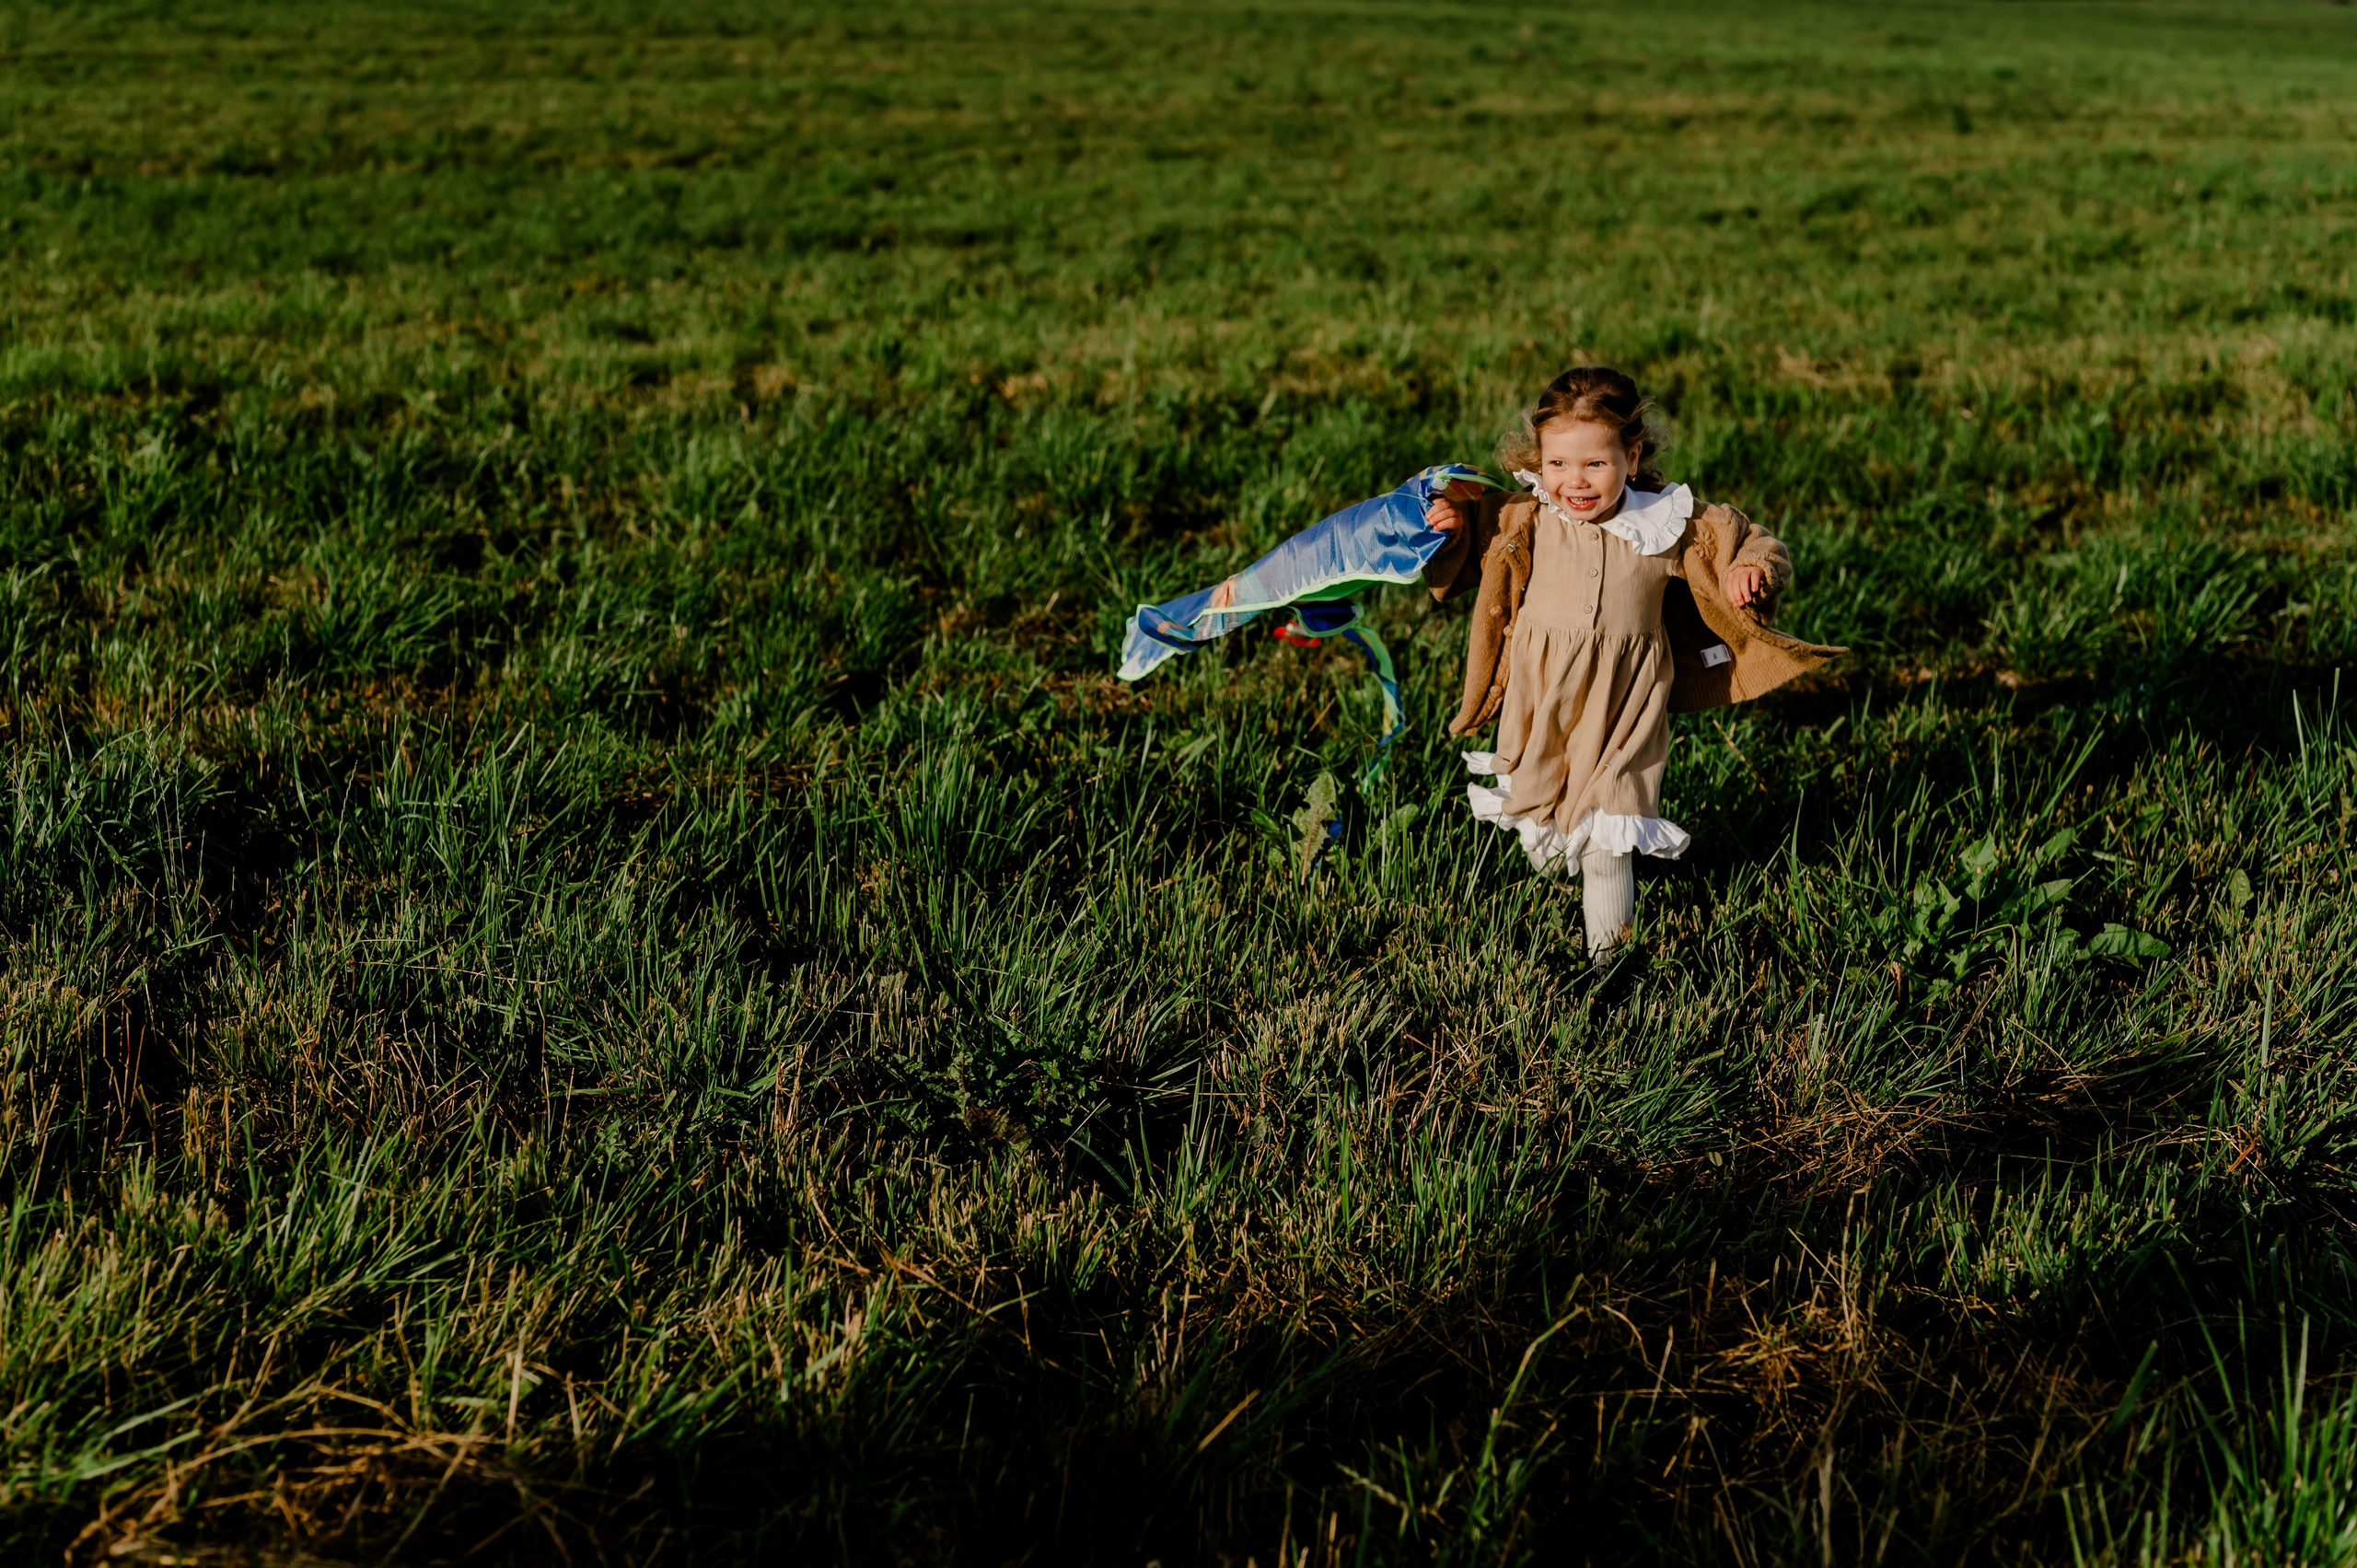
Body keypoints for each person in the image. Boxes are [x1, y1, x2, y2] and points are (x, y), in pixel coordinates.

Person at [1422, 366, 1842, 958]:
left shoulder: (1666, 524)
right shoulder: (1526, 516)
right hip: (1544, 697)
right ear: (1539, 462)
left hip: (1629, 702)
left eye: (1596, 463)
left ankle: (1610, 965)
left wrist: (1750, 570)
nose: (1576, 481)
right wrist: (1447, 527)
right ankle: (1554, 849)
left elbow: (1749, 540)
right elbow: (1466, 539)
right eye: (1559, 464)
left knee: (1609, 837)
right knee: (1544, 831)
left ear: (1633, 455)